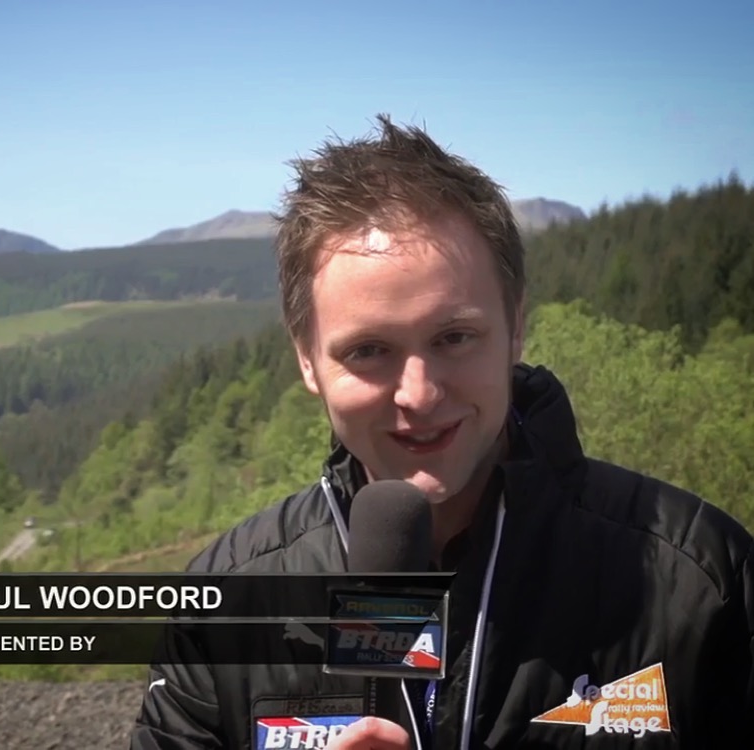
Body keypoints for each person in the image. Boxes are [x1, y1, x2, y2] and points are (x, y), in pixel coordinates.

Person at [129, 115, 754, 749]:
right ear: (307, 359)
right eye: (368, 350)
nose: (419, 394)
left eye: (454, 337)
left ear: (515, 327)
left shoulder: (702, 579)